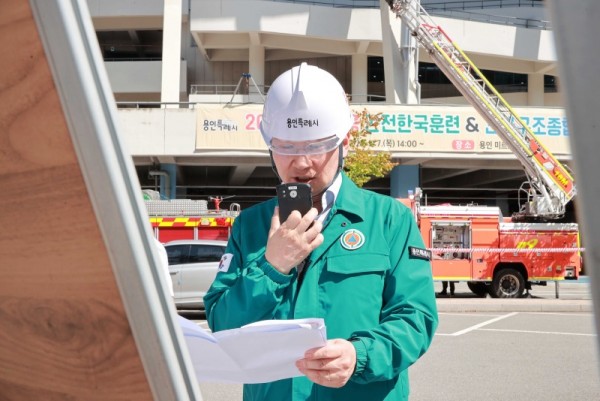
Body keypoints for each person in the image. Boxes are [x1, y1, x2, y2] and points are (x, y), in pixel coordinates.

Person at [204, 63, 438, 401]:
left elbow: (416, 318)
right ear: (269, 144)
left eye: (315, 147)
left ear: (343, 141)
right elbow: (223, 325)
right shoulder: (250, 226)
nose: (301, 164)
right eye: (286, 147)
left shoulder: (389, 220)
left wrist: (361, 356)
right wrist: (271, 267)